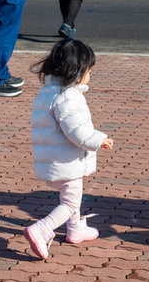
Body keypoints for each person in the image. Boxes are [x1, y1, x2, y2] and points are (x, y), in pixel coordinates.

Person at [24, 39, 113, 260]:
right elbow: (77, 132)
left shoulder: (48, 92)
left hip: (54, 160)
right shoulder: (68, 96)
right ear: (78, 71)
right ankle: (42, 228)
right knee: (70, 202)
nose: (90, 75)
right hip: (67, 161)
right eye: (89, 71)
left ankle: (76, 230)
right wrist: (98, 139)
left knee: (72, 197)